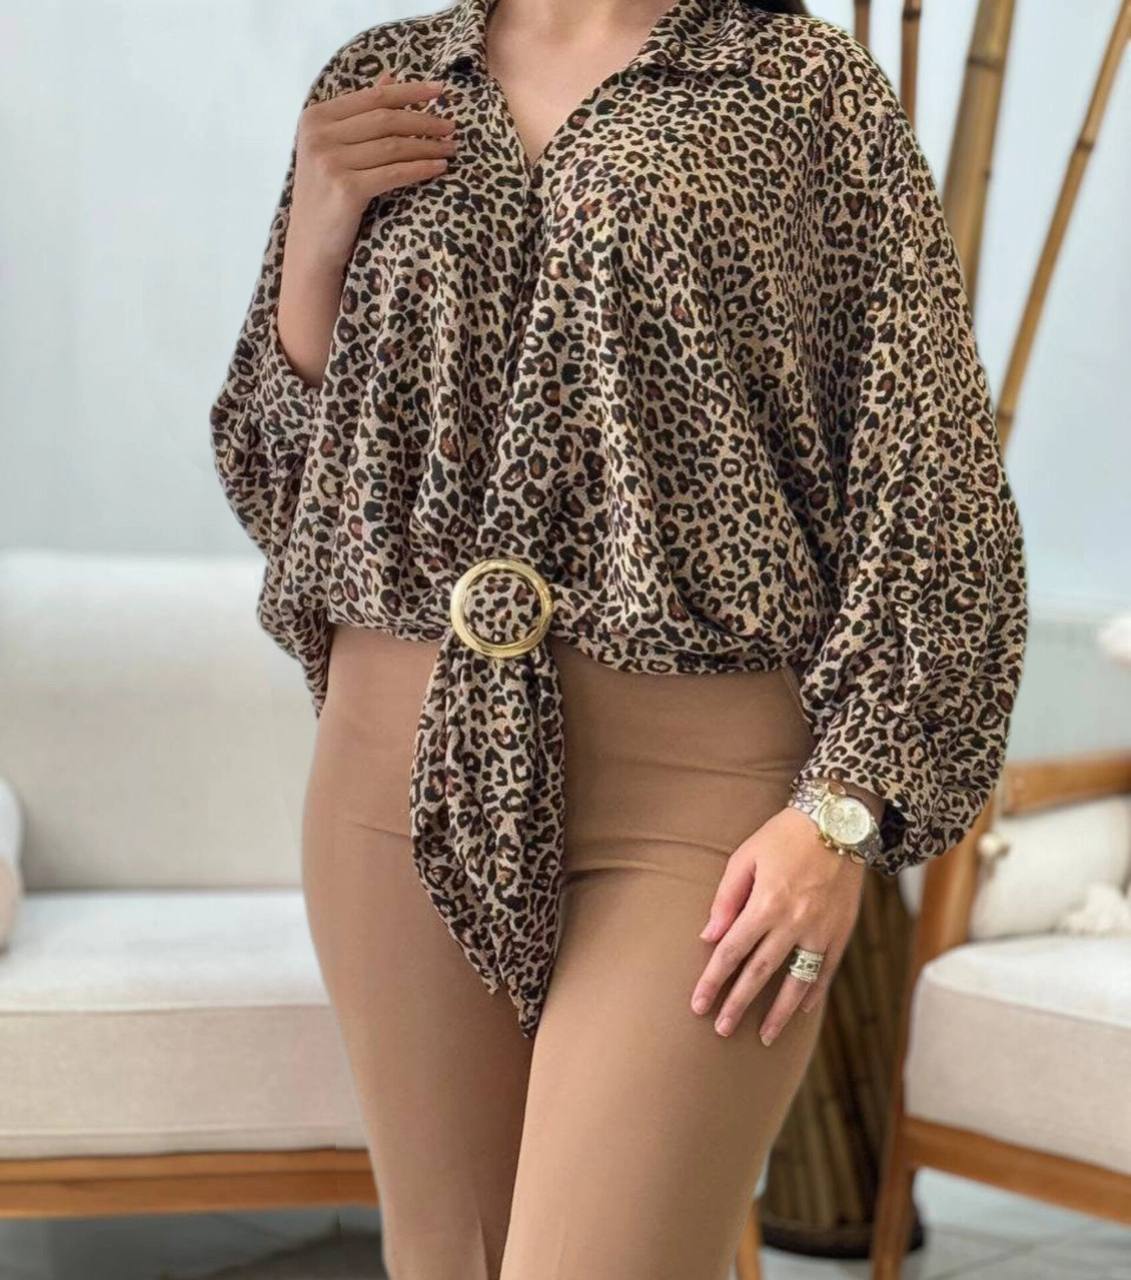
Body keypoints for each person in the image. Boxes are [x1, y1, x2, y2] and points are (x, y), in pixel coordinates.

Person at [208, 0, 1029, 1275]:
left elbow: (931, 479)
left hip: (698, 798)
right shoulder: (387, 76)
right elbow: (284, 476)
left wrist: (843, 812)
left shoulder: (804, 93)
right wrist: (316, 242)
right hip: (393, 775)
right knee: (449, 1256)